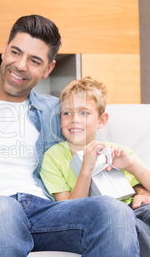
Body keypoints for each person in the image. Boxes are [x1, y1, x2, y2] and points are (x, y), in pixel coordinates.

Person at [0, 15, 140, 256]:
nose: (20, 65)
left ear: (48, 69)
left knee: (114, 212)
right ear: (4, 51)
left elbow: (94, 147)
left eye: (34, 60)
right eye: (15, 52)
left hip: (42, 211)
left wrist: (140, 189)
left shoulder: (57, 111)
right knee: (2, 210)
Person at [40, 76, 150, 257]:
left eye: (84, 113)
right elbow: (68, 212)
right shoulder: (53, 157)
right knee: (129, 226)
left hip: (136, 211)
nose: (74, 119)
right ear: (60, 120)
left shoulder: (118, 152)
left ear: (102, 120)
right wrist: (86, 169)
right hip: (104, 219)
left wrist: (130, 165)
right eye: (67, 113)